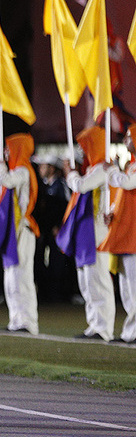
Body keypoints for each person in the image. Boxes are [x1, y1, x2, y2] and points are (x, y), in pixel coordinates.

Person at [61, 127, 115, 340]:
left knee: (98, 278)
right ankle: (94, 324)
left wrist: (70, 173)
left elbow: (81, 186)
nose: (82, 152)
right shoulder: (93, 168)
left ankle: (103, 328)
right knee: (87, 281)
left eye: (85, 147)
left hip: (97, 229)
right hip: (87, 230)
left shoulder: (102, 168)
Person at [0, 133, 41, 335]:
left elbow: (6, 181)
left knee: (22, 277)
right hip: (13, 229)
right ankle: (16, 320)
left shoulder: (23, 171)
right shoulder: (18, 170)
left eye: (9, 148)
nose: (5, 152)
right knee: (11, 278)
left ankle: (28, 322)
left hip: (22, 230)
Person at [103, 125, 136, 343]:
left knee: (133, 285)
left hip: (133, 234)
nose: (125, 140)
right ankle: (130, 332)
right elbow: (124, 195)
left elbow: (127, 183)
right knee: (126, 286)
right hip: (126, 231)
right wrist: (113, 212)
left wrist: (113, 170)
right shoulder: (131, 166)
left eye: (129, 137)